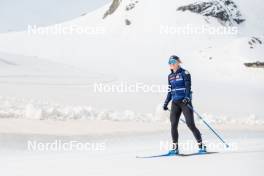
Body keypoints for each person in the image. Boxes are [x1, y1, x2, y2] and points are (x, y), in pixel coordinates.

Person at [163, 55, 206, 155]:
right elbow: (170, 91)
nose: (171, 64)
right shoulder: (170, 76)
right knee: (173, 125)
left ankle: (201, 146)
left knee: (190, 124)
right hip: (175, 103)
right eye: (169, 62)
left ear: (178, 62)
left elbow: (188, 87)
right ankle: (175, 148)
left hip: (185, 102)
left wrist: (187, 97)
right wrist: (166, 103)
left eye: (173, 61)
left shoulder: (185, 73)